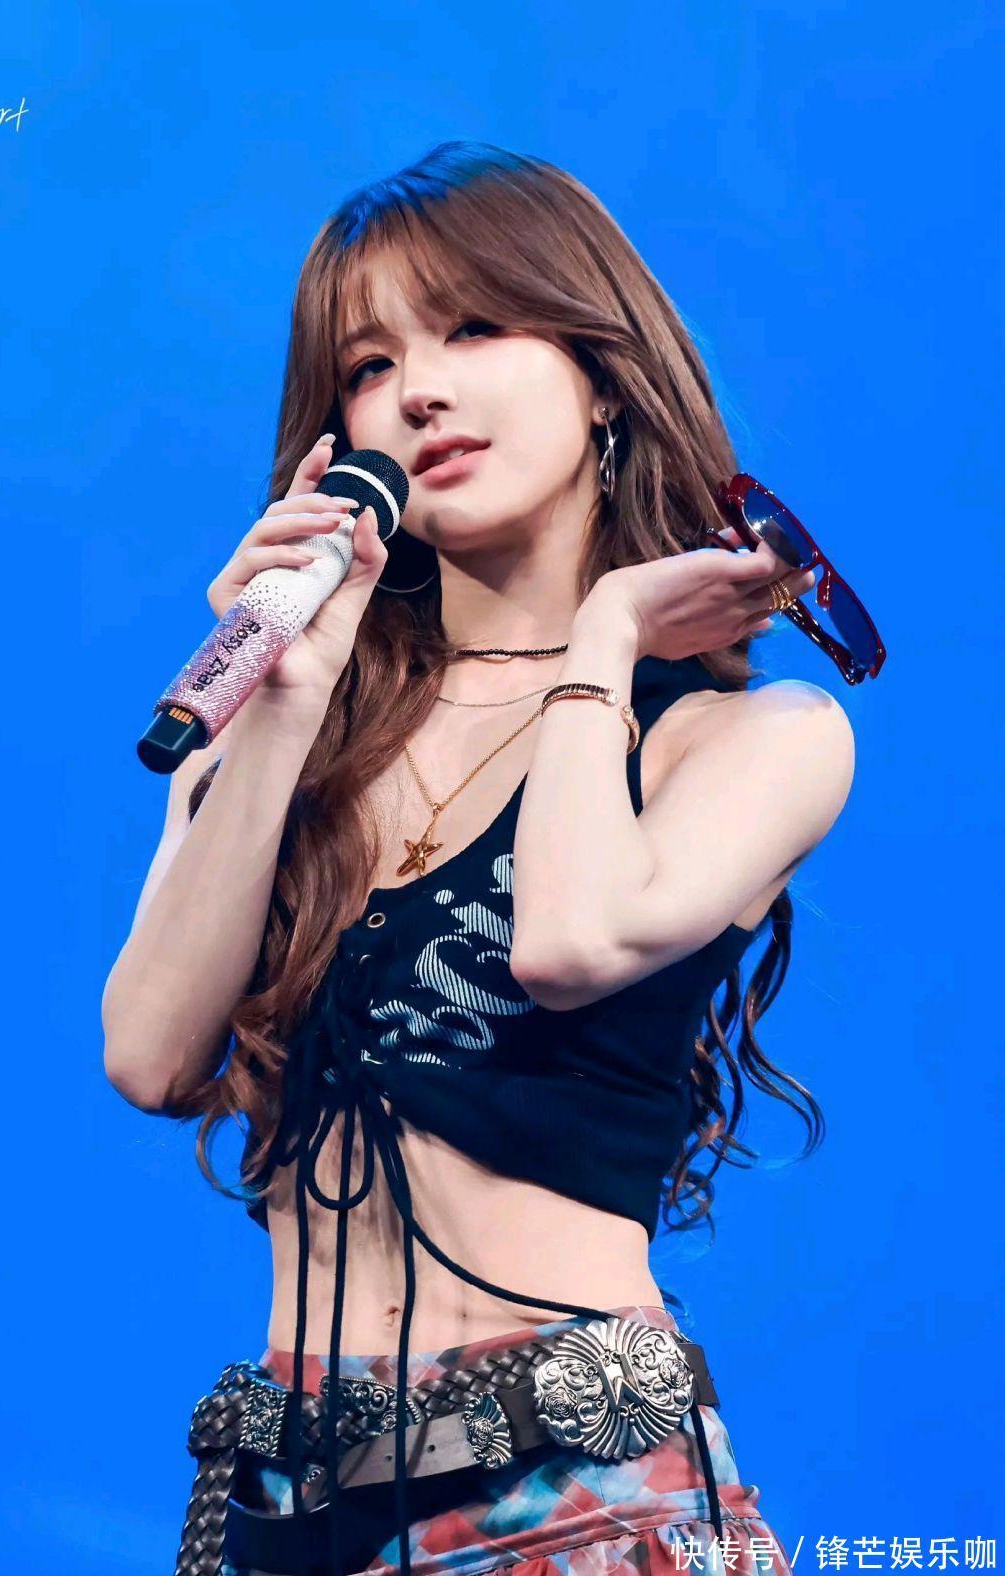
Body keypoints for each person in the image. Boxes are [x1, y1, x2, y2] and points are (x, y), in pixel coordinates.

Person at [102, 140, 856, 1576]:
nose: (420, 392)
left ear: (601, 374)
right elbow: (148, 1055)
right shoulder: (286, 734)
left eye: (474, 329)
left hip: (571, 1496)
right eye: (369, 365)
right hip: (287, 1502)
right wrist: (288, 705)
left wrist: (604, 637)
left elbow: (568, 944)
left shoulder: (746, 737)